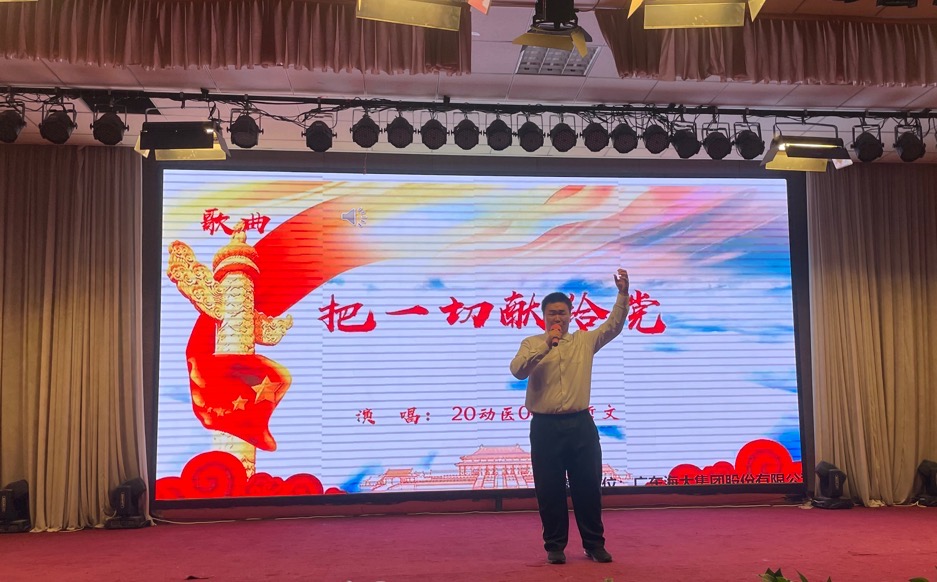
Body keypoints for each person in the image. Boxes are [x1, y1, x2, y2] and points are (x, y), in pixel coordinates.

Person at [509, 268, 629, 565]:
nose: (557, 318)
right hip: (545, 427)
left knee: (588, 486)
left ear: (571, 315)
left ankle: (594, 544)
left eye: (562, 313)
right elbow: (518, 371)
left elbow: (613, 326)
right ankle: (555, 546)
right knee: (549, 489)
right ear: (543, 316)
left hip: (580, 425)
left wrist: (622, 295)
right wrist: (546, 346)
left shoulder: (584, 341)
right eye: (552, 313)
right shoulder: (532, 343)